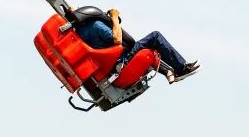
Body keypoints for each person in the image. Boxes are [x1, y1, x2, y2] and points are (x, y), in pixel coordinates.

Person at [69, 6, 200, 84]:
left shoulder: (79, 35)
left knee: (142, 46)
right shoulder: (95, 25)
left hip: (111, 70)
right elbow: (117, 39)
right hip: (121, 64)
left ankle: (169, 72)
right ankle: (181, 69)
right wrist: (114, 18)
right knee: (155, 37)